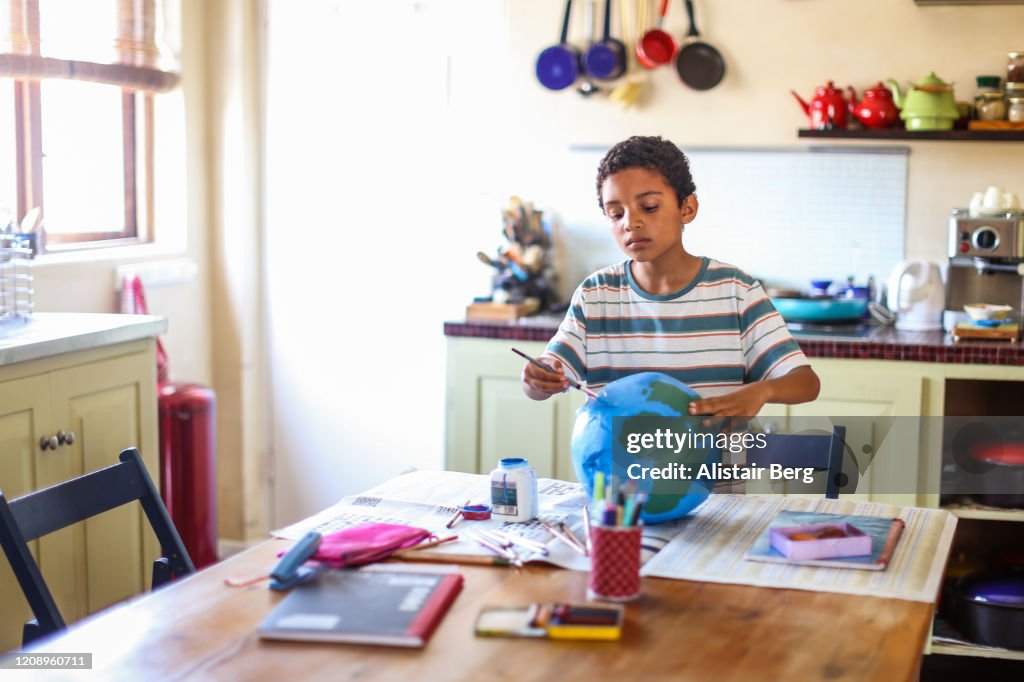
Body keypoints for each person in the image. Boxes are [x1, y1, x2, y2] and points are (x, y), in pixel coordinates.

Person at [521, 135, 819, 418]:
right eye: (616, 214)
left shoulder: (735, 290)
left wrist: (762, 391)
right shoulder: (596, 295)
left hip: (715, 471)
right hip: (615, 472)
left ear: (687, 208)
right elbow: (544, 380)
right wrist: (539, 377)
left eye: (649, 207)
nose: (631, 222)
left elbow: (805, 382)